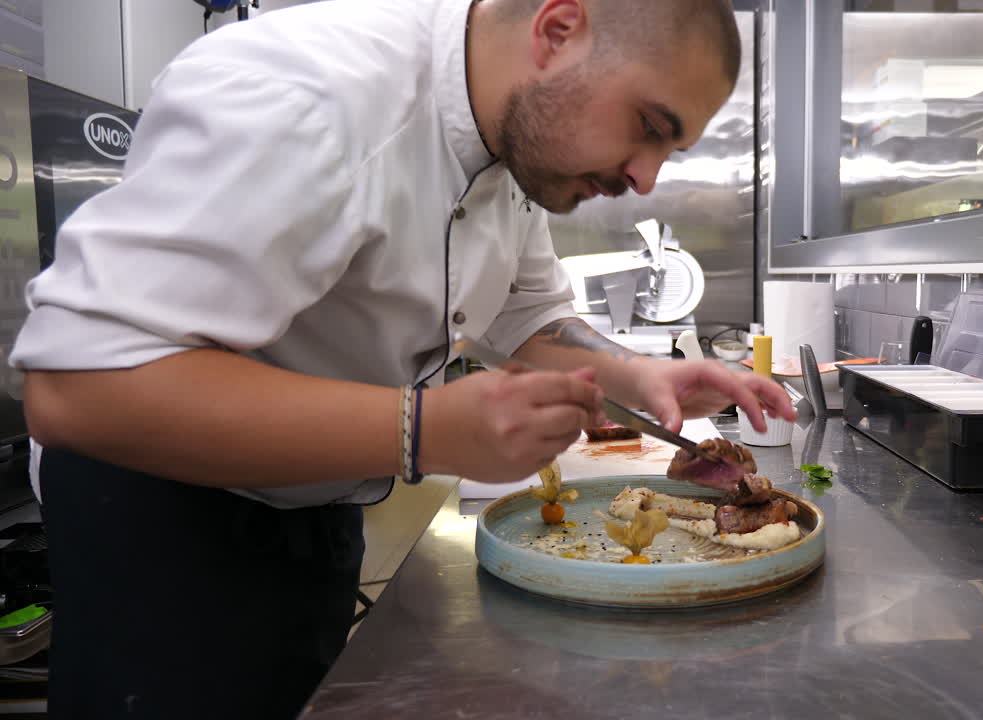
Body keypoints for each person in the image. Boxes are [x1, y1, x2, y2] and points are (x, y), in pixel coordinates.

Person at [8, 1, 793, 717]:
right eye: (648, 125)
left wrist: (641, 376)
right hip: (162, 514)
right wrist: (423, 429)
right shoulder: (307, 97)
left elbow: (527, 315)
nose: (645, 178)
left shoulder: (516, 142)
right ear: (557, 31)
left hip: (317, 499)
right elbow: (79, 386)